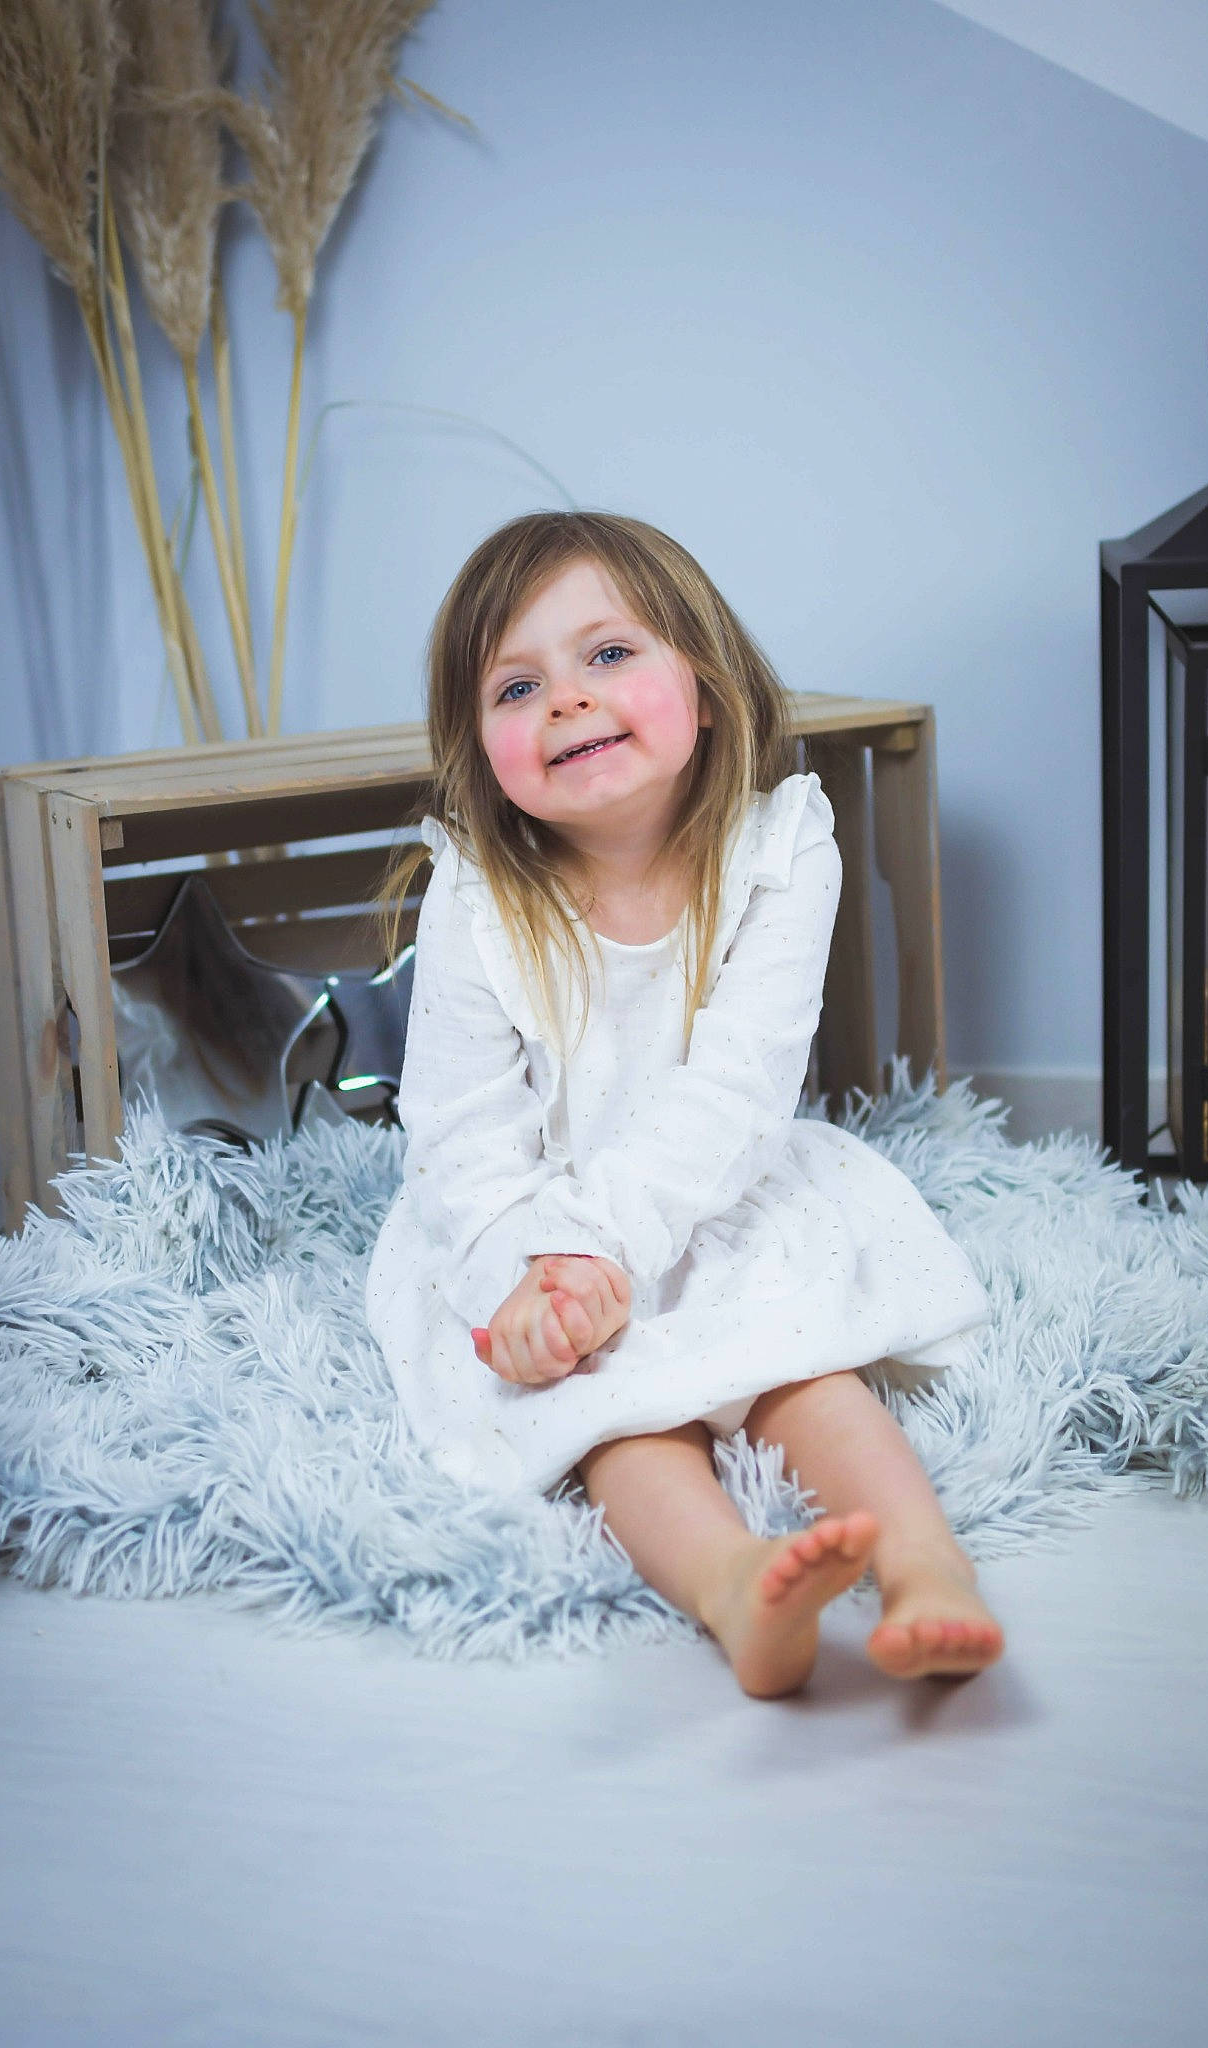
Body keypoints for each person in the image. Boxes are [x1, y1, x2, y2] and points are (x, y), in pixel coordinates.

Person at [367, 510, 1004, 1699]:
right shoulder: (477, 890)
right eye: (517, 684)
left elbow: (737, 1091)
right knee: (611, 1409)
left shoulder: (778, 847)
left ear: (705, 688)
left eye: (608, 654)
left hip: (716, 1186)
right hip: (537, 1220)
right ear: (478, 743)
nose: (566, 697)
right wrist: (538, 1274)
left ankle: (927, 1566)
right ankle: (733, 1587)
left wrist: (614, 1244)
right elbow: (460, 1132)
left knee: (803, 1368)